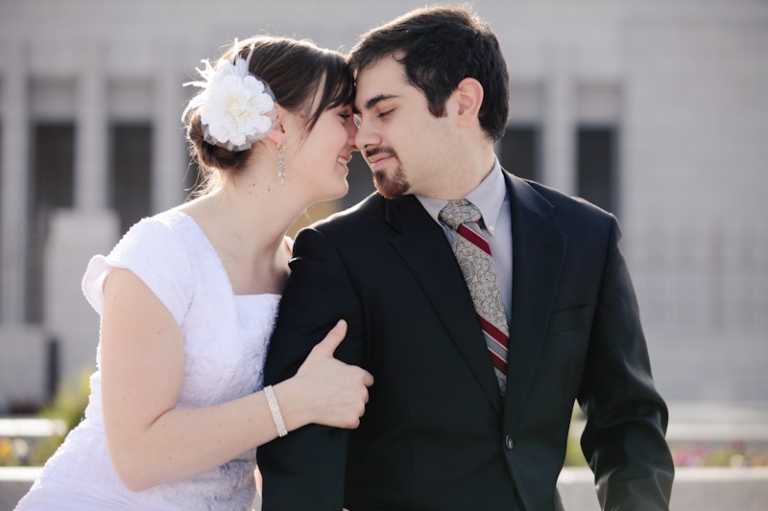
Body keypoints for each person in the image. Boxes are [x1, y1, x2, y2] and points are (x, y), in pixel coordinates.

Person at [258, 6, 674, 511]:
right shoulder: (336, 253)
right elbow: (305, 456)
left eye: (384, 113)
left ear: (463, 103)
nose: (363, 138)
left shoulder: (585, 236)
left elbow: (628, 422)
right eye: (359, 118)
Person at [15, 36, 372, 511]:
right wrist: (294, 402)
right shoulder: (162, 251)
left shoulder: (301, 268)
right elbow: (138, 457)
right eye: (343, 115)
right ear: (277, 124)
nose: (357, 137)